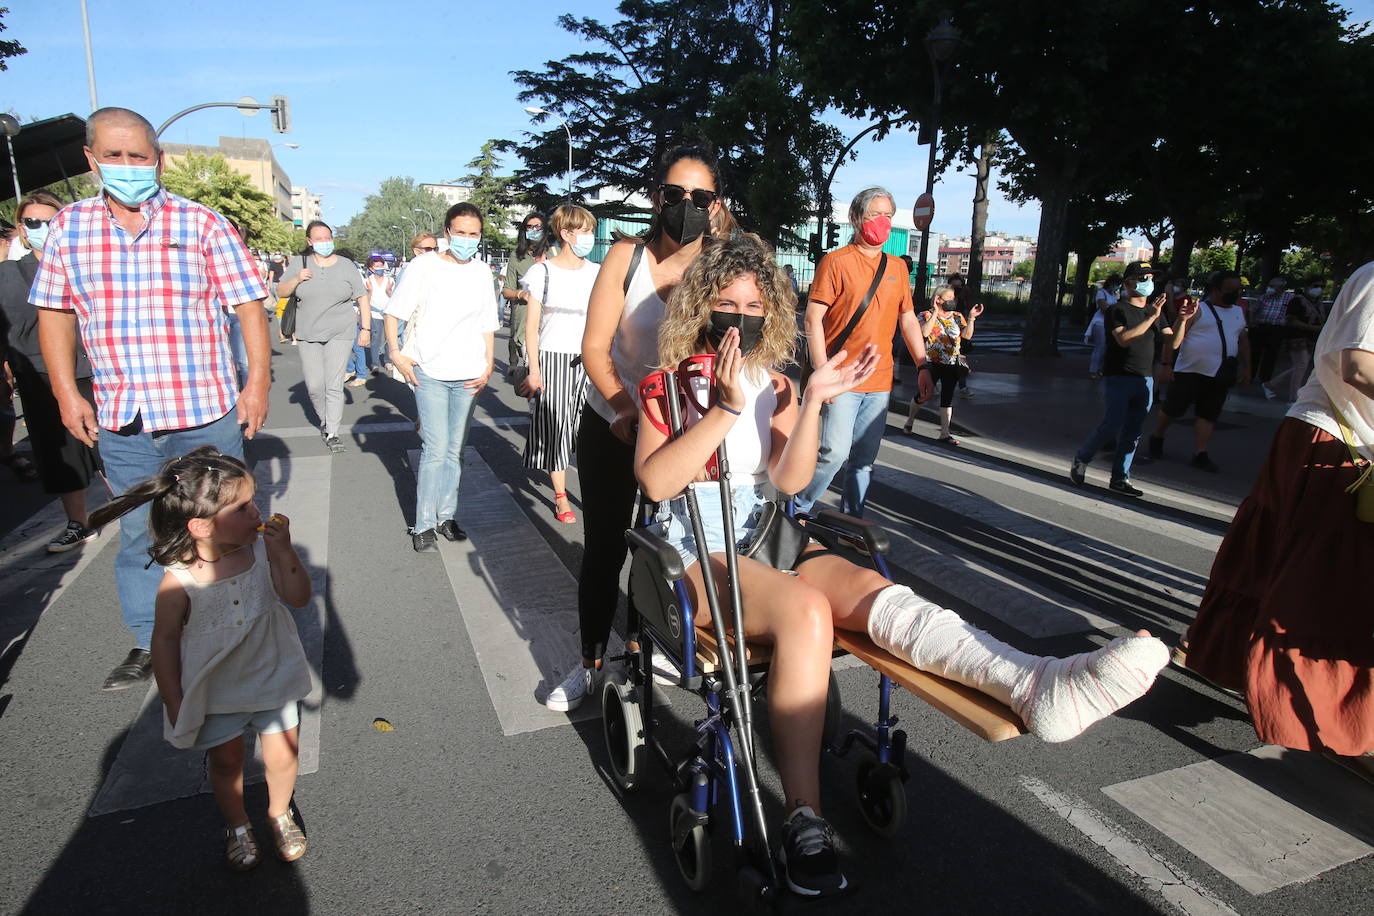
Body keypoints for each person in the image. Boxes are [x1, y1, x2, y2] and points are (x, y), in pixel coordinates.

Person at [637, 235, 1169, 897]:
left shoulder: (776, 382)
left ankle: (1034, 684)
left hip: (766, 535)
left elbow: (790, 478)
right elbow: (656, 483)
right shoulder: (665, 385)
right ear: (700, 308)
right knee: (805, 608)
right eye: (725, 302)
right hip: (697, 550)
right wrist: (721, 411)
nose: (740, 316)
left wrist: (817, 399)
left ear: (770, 310)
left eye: (753, 303)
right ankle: (804, 815)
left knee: (876, 590)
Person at [33, 107, 271, 691]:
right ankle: (149, 637)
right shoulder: (70, 228)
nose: (128, 167)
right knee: (140, 533)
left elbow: (248, 305)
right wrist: (67, 393)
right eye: (114, 156)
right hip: (123, 416)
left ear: (157, 160)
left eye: (139, 156)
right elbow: (55, 313)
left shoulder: (202, 224)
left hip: (204, 411)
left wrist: (257, 381)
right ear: (92, 161)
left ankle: (227, 628)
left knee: (217, 527)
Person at [545, 143, 727, 712]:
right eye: (676, 195)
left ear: (715, 204)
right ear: (657, 198)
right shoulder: (626, 258)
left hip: (683, 435)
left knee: (670, 549)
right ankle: (590, 661)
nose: (687, 207)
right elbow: (594, 347)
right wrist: (626, 406)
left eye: (700, 197)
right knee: (605, 548)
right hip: (616, 422)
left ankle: (643, 649)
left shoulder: (720, 266)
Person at [1179, 260, 1374, 765]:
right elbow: (1355, 363)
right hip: (1332, 439)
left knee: (1288, 568)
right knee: (1317, 580)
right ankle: (1303, 708)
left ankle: (1252, 673)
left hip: (1338, 442)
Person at [88, 446, 313, 869]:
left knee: (283, 751)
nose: (257, 512)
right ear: (201, 526)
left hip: (273, 670)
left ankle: (278, 812)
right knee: (227, 760)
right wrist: (173, 698)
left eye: (253, 501)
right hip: (215, 684)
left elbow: (298, 598)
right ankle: (237, 825)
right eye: (243, 507)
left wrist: (284, 553)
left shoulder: (264, 550)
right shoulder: (179, 578)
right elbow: (166, 640)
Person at [793, 187, 934, 518]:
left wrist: (923, 365)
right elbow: (813, 318)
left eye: (888, 216)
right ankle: (797, 510)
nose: (882, 223)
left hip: (880, 379)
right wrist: (822, 372)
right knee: (834, 453)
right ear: (855, 218)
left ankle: (851, 520)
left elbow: (908, 319)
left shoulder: (898, 268)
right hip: (841, 378)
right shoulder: (836, 262)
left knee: (864, 461)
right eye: (875, 215)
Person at [384, 202, 498, 552]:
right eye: (460, 232)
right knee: (434, 450)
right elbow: (394, 312)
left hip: (468, 374)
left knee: (454, 451)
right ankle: (423, 524)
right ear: (447, 233)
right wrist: (396, 354)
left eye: (473, 234)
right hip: (429, 371)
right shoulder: (424, 266)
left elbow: (487, 323)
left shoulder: (481, 272)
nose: (466, 239)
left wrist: (488, 364)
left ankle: (446, 516)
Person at [0, 191, 105, 552]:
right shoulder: (8, 276)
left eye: (51, 220)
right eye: (33, 222)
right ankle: (79, 522)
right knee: (60, 456)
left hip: (95, 372)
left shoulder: (88, 266)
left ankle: (139, 514)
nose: (43, 228)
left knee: (112, 448)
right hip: (41, 380)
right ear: (22, 229)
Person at [1069, 261, 1178, 497]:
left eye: (1151, 278)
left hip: (1145, 378)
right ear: (1128, 283)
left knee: (1134, 430)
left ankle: (1120, 478)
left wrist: (1185, 320)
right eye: (1143, 278)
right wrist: (1151, 316)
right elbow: (1124, 339)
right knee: (1112, 424)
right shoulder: (1118, 310)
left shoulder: (1155, 313)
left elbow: (1173, 341)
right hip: (1119, 377)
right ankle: (1082, 458)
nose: (1149, 282)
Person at [519, 205, 599, 524]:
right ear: (566, 234)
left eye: (591, 230)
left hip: (591, 358)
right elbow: (532, 326)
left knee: (593, 431)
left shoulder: (597, 272)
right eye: (585, 231)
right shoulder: (543, 272)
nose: (590, 237)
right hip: (554, 358)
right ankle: (561, 496)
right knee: (558, 429)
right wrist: (534, 370)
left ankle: (593, 492)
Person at [275, 221, 370, 453]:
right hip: (308, 333)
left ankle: (333, 432)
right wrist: (297, 278)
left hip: (341, 330)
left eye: (327, 237)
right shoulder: (300, 263)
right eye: (318, 239)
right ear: (309, 242)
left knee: (334, 384)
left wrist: (365, 329)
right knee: (316, 386)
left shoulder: (346, 265)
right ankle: (325, 420)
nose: (324, 242)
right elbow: (281, 292)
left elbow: (362, 297)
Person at [1146, 270, 1250, 472]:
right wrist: (1167, 364)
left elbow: (1243, 340)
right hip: (1189, 371)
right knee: (1173, 410)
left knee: (1208, 414)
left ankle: (1200, 452)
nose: (1236, 293)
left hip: (1219, 373)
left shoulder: (1238, 312)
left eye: (1238, 289)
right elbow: (1174, 340)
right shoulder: (1199, 309)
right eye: (1230, 289)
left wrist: (1248, 367)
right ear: (1216, 290)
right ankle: (1157, 436)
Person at [902, 284, 983, 443]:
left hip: (952, 362)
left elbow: (966, 336)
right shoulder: (924, 315)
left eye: (954, 298)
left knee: (947, 397)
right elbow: (924, 333)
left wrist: (972, 318)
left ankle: (945, 433)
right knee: (925, 394)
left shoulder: (957, 316)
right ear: (938, 299)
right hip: (931, 363)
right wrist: (935, 313)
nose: (953, 301)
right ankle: (909, 421)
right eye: (950, 298)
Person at [1262, 280, 1325, 402]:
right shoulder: (1297, 301)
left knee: (1300, 366)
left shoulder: (1319, 303)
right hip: (1295, 337)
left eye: (1322, 286)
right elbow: (1291, 321)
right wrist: (1314, 328)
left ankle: (1271, 385)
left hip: (1310, 339)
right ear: (1307, 287)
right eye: (1315, 285)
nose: (1319, 289)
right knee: (1301, 365)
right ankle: (1293, 398)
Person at [502, 212, 547, 378]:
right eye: (529, 227)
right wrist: (521, 294)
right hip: (526, 323)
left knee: (550, 375)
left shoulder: (555, 254)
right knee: (533, 372)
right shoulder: (517, 257)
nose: (533, 230)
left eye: (537, 227)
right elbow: (506, 290)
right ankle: (534, 403)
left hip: (551, 324)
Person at [1248, 273, 1295, 383]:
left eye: (1273, 286)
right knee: (1254, 353)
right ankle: (1250, 375)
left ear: (1281, 288)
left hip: (1277, 329)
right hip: (1261, 327)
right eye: (1270, 285)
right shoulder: (1264, 297)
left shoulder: (1289, 298)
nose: (1270, 288)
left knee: (1271, 355)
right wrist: (1252, 322)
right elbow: (1253, 309)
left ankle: (1265, 378)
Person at [363, 255, 394, 378]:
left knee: (389, 338)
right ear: (371, 268)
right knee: (375, 338)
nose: (380, 268)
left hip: (388, 313)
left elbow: (395, 298)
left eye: (381, 266)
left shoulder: (390, 280)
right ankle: (375, 363)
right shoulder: (367, 281)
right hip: (374, 313)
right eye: (377, 266)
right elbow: (365, 300)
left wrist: (389, 292)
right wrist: (369, 292)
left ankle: (388, 361)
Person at [1086, 274, 1122, 379]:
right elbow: (1103, 308)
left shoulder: (1114, 295)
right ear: (1111, 283)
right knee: (1100, 347)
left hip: (1110, 323)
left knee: (1107, 348)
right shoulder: (1101, 293)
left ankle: (1101, 369)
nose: (1118, 287)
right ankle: (1093, 370)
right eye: (1117, 284)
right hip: (1100, 323)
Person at [948, 272, 975, 397]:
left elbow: (967, 309)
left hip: (959, 328)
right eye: (954, 287)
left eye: (959, 286)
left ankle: (963, 387)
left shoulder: (963, 297)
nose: (957, 289)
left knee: (959, 358)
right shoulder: (945, 297)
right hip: (944, 331)